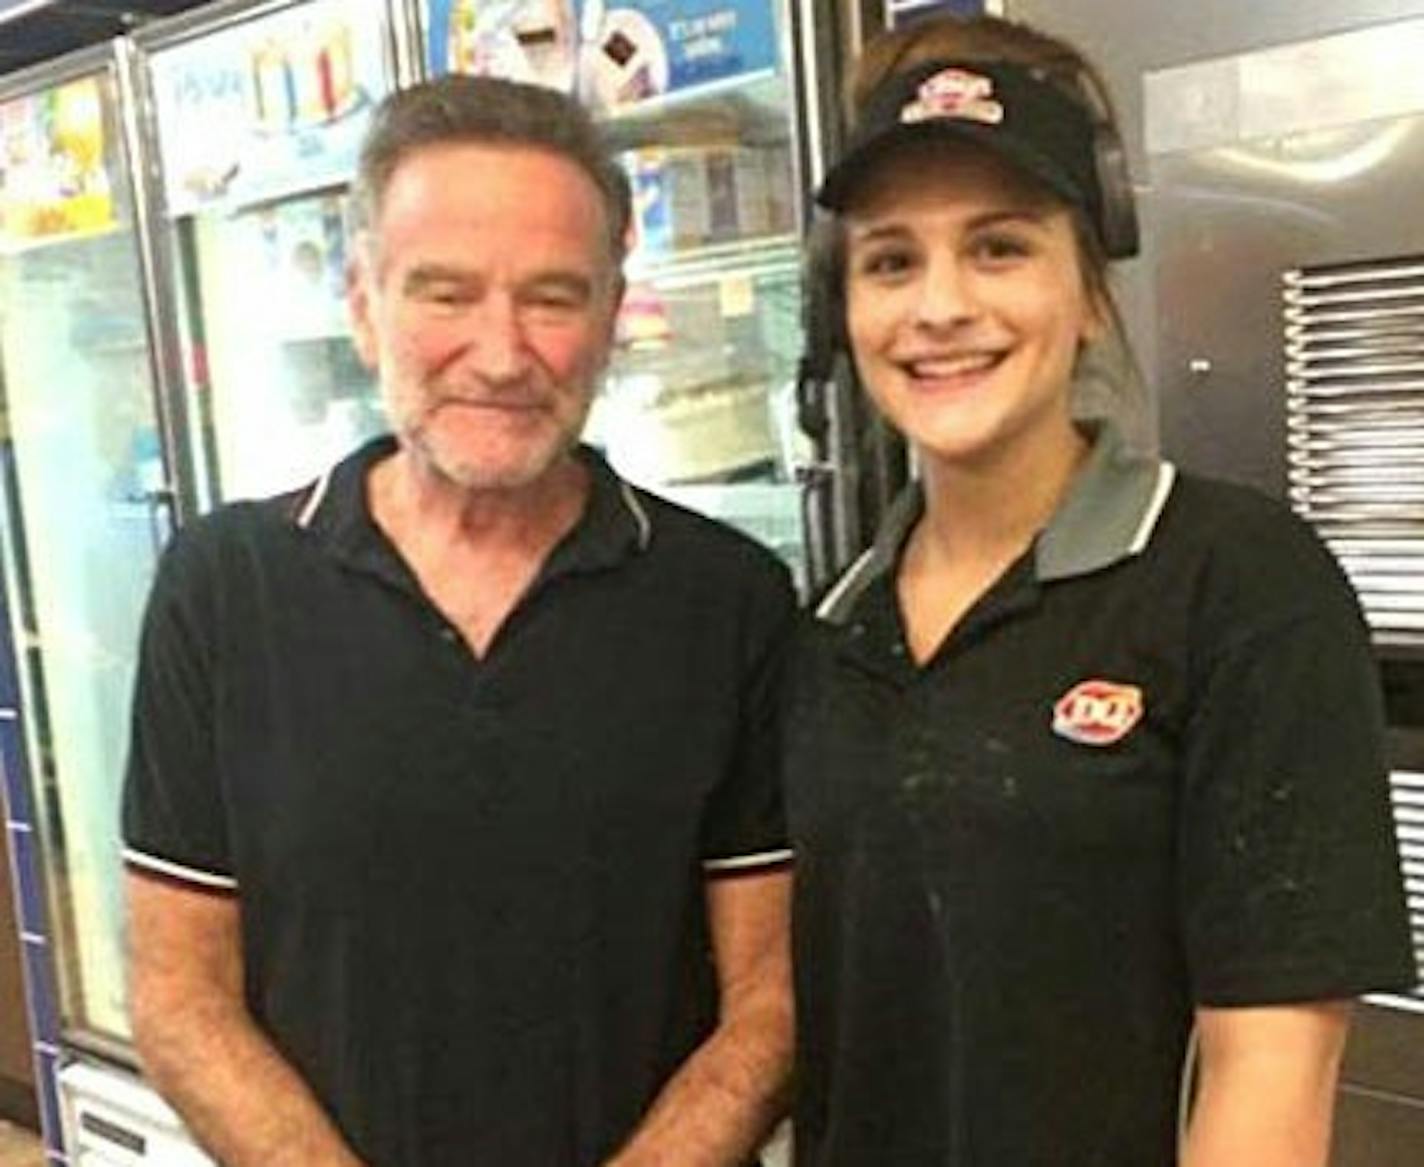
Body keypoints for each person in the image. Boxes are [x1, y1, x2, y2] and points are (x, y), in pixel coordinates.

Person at [121, 74, 794, 1167]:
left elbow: (770, 1001)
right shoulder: (222, 587)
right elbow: (177, 994)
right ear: (362, 305)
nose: (498, 352)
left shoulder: (728, 601)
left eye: (552, 296)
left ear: (612, 316)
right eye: (444, 292)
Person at [786, 15, 1415, 1166]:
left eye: (998, 248)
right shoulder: (832, 627)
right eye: (890, 260)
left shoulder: (1235, 583)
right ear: (845, 309)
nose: (937, 307)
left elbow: (1267, 1078)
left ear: (1088, 293)